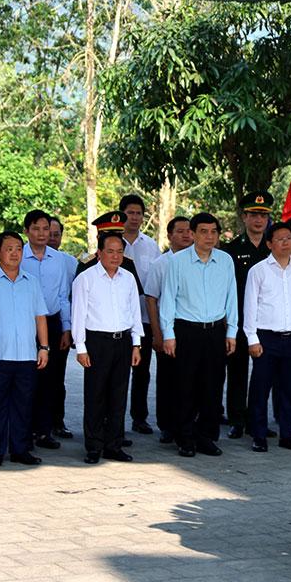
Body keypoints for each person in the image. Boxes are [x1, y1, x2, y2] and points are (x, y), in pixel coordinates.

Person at [159, 212, 238, 458]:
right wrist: (168, 334)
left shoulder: (225, 260)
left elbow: (232, 297)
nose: (209, 237)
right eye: (203, 231)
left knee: (212, 386)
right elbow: (168, 298)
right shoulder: (177, 261)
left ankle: (206, 436)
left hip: (215, 331)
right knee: (185, 386)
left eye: (214, 231)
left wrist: (232, 331)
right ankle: (184, 437)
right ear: (192, 234)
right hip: (186, 330)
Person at [0, 231, 49, 467]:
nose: (15, 253)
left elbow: (40, 317)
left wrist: (44, 347)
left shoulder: (32, 282)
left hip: (26, 356)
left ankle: (20, 450)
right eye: (9, 249)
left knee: (23, 406)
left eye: (18, 248)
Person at [72, 221, 143, 464]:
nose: (115, 256)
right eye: (110, 251)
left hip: (122, 341)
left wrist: (136, 344)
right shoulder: (86, 278)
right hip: (97, 342)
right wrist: (81, 347)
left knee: (118, 395)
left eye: (119, 251)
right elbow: (78, 315)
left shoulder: (128, 278)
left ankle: (114, 444)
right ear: (99, 253)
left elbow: (134, 313)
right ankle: (94, 446)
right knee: (96, 395)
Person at [244, 221, 291, 452]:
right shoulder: (258, 271)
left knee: (289, 389)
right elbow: (250, 306)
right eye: (280, 239)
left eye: (289, 238)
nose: (286, 242)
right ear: (269, 244)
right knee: (260, 389)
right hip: (266, 338)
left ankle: (287, 435)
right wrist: (252, 338)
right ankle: (258, 435)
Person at [221, 191, 272, 439]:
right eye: (254, 214)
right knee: (237, 371)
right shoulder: (231, 249)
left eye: (263, 215)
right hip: (240, 319)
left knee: (264, 374)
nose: (259, 220)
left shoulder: (273, 248)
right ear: (244, 217)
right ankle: (237, 419)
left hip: (267, 321)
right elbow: (227, 288)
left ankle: (257, 420)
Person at [21, 209, 72, 450]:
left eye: (46, 229)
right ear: (26, 231)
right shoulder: (18, 255)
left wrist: (66, 328)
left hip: (52, 322)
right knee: (26, 378)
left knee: (51, 379)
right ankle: (24, 430)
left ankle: (45, 430)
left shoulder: (59, 259)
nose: (42, 234)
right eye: (36, 229)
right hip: (24, 324)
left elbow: (63, 295)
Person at [143, 215, 193, 445]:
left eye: (189, 231)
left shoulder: (198, 261)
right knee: (168, 380)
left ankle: (189, 422)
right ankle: (167, 425)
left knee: (190, 379)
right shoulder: (161, 264)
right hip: (167, 330)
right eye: (180, 231)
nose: (186, 235)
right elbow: (151, 299)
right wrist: (157, 333)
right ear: (169, 235)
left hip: (192, 330)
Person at [117, 194, 160, 436]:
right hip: (118, 320)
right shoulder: (112, 242)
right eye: (130, 213)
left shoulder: (151, 246)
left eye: (139, 213)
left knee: (142, 371)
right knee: (118, 373)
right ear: (121, 214)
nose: (134, 217)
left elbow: (156, 282)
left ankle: (139, 417)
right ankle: (114, 421)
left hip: (144, 318)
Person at [47, 215, 78, 439]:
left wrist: (69, 329)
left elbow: (71, 297)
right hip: (32, 324)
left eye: (56, 234)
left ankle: (57, 422)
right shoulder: (23, 257)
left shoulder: (69, 262)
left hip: (59, 323)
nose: (51, 238)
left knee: (57, 378)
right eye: (47, 233)